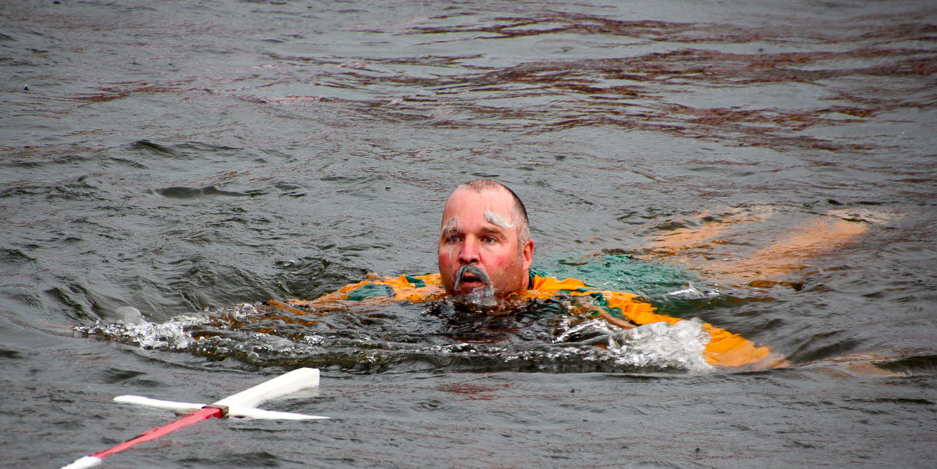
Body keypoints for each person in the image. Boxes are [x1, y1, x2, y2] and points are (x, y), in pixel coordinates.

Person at [296, 180, 794, 369]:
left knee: (740, 270)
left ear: (525, 253)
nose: (467, 254)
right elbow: (293, 317)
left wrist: (785, 365)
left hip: (635, 279)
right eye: (454, 239)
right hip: (593, 264)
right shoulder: (401, 293)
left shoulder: (584, 302)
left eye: (489, 239)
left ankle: (833, 225)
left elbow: (689, 338)